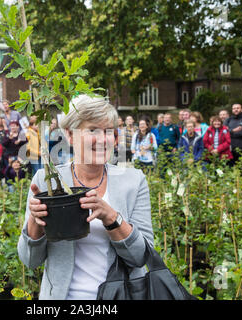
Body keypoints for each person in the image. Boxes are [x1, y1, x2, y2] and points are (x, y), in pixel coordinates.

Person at [18, 94, 153, 300]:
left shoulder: (133, 182)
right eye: (92, 130)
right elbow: (30, 260)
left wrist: (112, 218)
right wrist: (35, 222)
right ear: (70, 135)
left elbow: (141, 257)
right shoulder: (47, 181)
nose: (103, 139)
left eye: (109, 132)